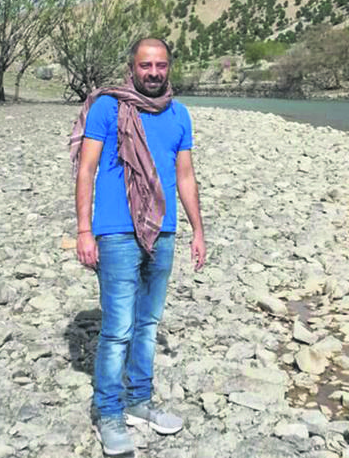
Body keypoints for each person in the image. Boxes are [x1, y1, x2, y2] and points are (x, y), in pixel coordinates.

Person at [70, 37, 206, 455]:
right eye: (146, 65)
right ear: (131, 67)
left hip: (163, 230)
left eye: (160, 65)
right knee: (117, 329)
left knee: (148, 324)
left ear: (169, 67)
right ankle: (109, 412)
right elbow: (86, 169)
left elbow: (185, 176)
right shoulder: (108, 108)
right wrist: (84, 230)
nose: (153, 72)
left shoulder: (179, 114)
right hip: (116, 232)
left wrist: (198, 231)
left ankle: (139, 401)